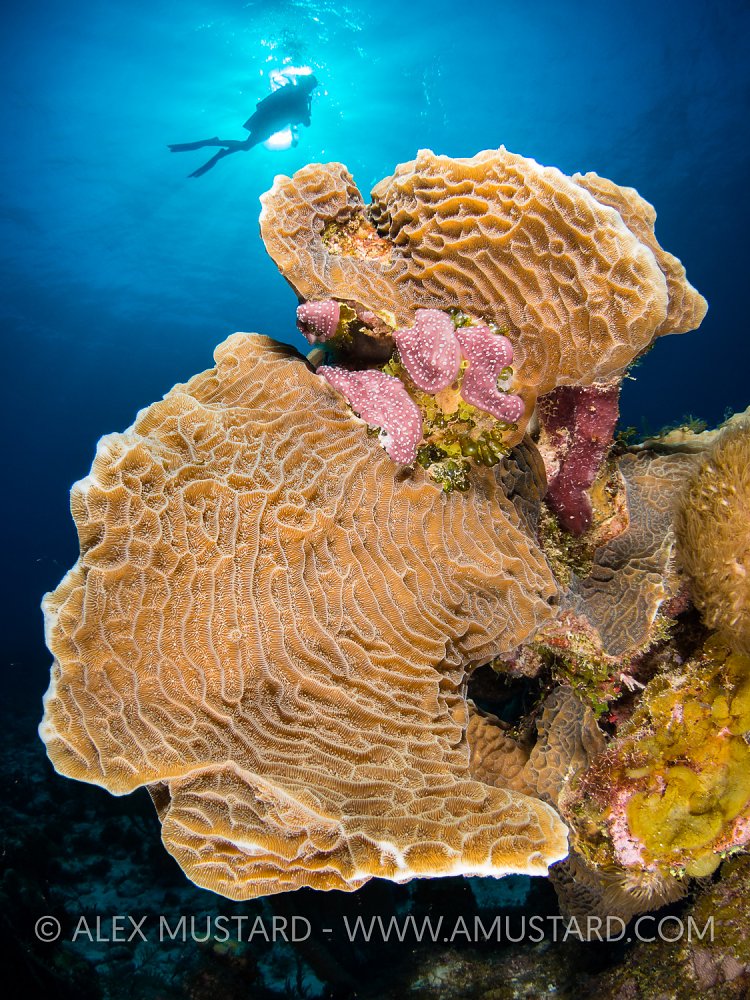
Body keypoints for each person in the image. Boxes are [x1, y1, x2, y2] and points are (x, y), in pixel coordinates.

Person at [168, 72, 319, 177]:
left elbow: (293, 118)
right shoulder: (298, 97)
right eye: (310, 87)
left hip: (268, 122)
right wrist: (299, 123)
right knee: (247, 146)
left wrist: (295, 131)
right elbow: (301, 121)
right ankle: (217, 145)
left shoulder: (296, 95)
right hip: (268, 122)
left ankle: (220, 150)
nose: (309, 89)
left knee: (247, 145)